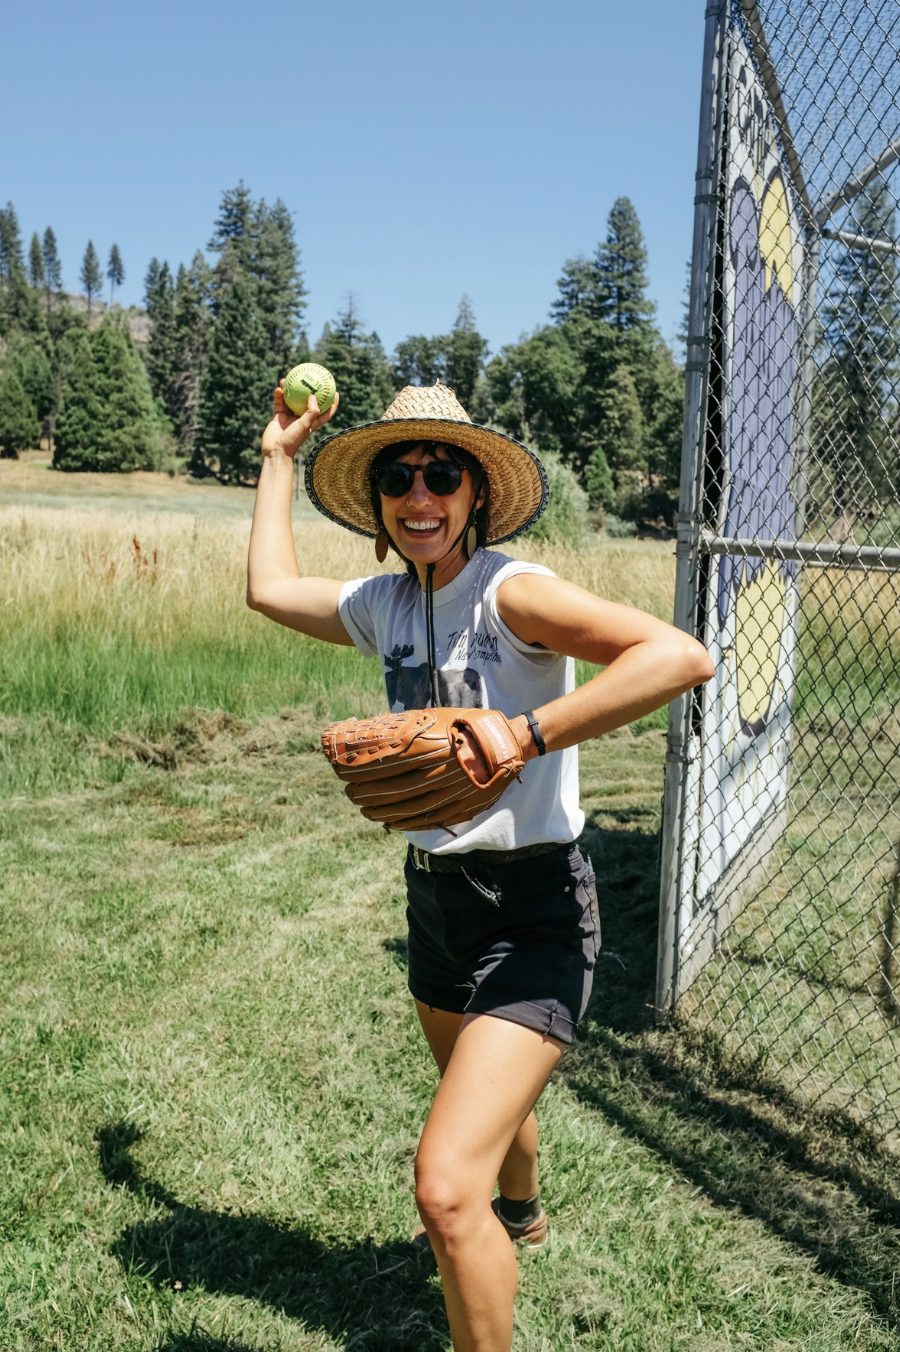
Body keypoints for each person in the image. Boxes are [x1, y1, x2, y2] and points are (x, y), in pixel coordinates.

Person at [247, 380, 714, 1352]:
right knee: (481, 1094)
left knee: (445, 1188)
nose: (419, 495)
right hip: (436, 901)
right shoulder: (384, 603)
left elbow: (677, 656)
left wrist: (524, 732)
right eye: (397, 476)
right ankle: (526, 1211)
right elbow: (270, 590)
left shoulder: (511, 594)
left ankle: (494, 1233)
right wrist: (278, 458)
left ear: (477, 493)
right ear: (377, 504)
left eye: (442, 473)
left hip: (535, 907)